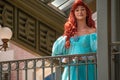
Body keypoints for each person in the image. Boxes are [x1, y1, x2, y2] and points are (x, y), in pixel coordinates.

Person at [52, 0, 97, 80]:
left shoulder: (92, 32)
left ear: (87, 12)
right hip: (71, 69)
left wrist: (83, 58)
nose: (80, 12)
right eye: (77, 10)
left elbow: (98, 54)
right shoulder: (69, 33)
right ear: (74, 14)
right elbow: (56, 54)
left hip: (87, 69)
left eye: (82, 9)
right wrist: (64, 59)